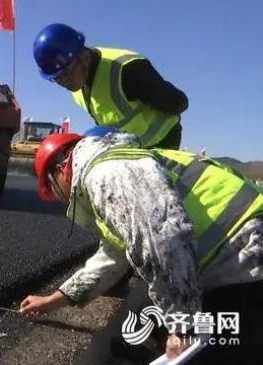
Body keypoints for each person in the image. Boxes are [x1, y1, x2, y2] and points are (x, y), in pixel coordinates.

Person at [20, 132, 263, 362]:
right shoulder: (114, 165)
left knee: (223, 349)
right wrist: (52, 300)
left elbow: (163, 243)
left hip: (247, 259)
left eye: (54, 190)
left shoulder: (106, 175)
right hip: (239, 256)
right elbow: (111, 258)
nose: (63, 200)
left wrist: (183, 327)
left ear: (61, 170)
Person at [33, 23, 188, 149]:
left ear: (84, 56)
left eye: (66, 73)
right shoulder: (76, 85)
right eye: (57, 79)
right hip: (132, 149)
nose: (64, 82)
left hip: (164, 143)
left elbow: (179, 103)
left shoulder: (127, 70)